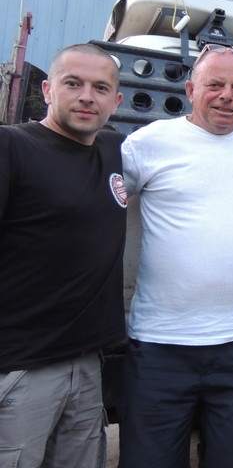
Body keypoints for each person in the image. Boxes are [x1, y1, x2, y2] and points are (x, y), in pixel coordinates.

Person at [119, 44, 233, 468]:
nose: (227, 96)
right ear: (191, 89)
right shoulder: (148, 143)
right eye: (215, 85)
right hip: (161, 344)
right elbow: (103, 201)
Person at [0, 43, 125, 467]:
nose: (87, 96)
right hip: (20, 368)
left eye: (100, 88)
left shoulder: (114, 150)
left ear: (116, 101)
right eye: (73, 84)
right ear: (47, 89)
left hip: (86, 362)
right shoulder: (11, 147)